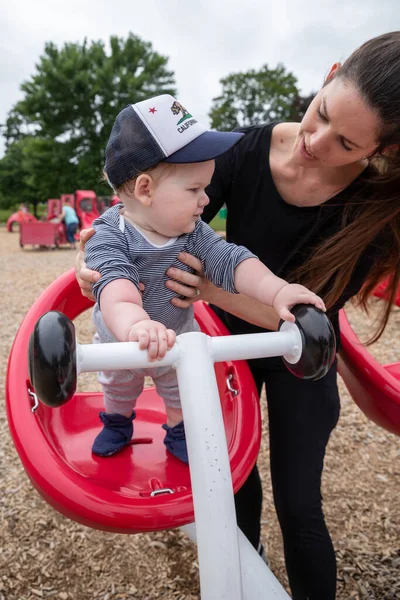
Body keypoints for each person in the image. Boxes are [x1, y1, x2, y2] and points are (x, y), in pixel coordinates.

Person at [76, 32, 400, 600]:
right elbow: (154, 210)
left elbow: (278, 299)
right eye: (321, 113)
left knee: (300, 505)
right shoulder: (240, 154)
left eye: (346, 142)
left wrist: (226, 291)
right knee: (230, 486)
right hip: (226, 353)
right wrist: (99, 274)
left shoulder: (376, 207)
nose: (315, 141)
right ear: (326, 76)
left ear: (380, 151)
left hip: (300, 354)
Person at [84, 94, 325, 462]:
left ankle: (178, 429)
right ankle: (117, 422)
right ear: (145, 189)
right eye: (195, 189)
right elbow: (116, 287)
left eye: (206, 188)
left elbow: (232, 260)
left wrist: (278, 290)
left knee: (180, 388)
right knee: (118, 387)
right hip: (123, 342)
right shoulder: (109, 234)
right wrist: (136, 326)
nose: (206, 200)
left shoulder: (193, 232)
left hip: (177, 339)